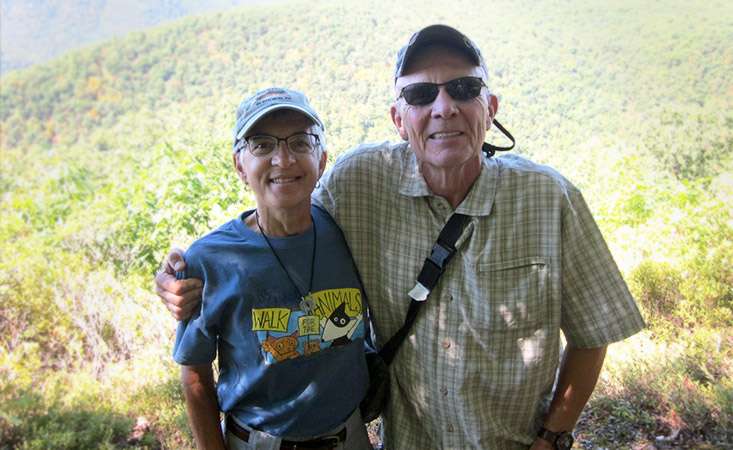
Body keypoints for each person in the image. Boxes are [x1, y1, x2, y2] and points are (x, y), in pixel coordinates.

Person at [157, 25, 645, 450]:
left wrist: (553, 437)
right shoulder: (358, 183)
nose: (444, 108)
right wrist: (184, 269)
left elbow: (591, 334)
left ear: (491, 107)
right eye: (420, 95)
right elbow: (281, 217)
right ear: (398, 117)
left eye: (463, 88)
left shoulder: (549, 197)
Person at [171, 87, 372, 450]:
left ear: (322, 159)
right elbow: (196, 375)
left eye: (300, 142)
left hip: (350, 437)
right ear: (239, 165)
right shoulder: (210, 260)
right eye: (262, 145)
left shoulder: (349, 232)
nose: (284, 159)